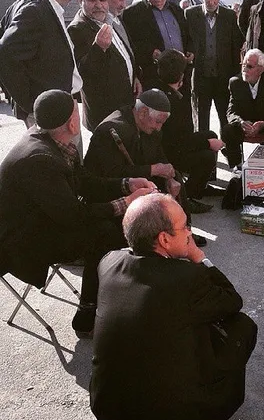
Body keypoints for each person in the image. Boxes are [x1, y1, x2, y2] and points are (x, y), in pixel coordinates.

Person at [90, 193, 257, 420]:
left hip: (109, 410)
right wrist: (199, 258)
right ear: (164, 239)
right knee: (242, 326)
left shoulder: (108, 261)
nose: (190, 232)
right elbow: (233, 301)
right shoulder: (187, 278)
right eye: (184, 226)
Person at [0, 90, 156, 336]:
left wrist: (127, 183)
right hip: (21, 243)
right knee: (104, 232)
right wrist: (126, 202)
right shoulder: (40, 159)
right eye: (76, 109)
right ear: (72, 122)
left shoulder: (49, 139)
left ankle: (112, 297)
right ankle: (88, 313)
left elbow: (83, 181)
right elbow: (75, 217)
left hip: (42, 219)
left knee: (112, 224)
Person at [84, 88, 211, 239]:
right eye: (157, 122)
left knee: (175, 176)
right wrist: (152, 170)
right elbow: (112, 174)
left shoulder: (149, 127)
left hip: (137, 176)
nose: (159, 128)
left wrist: (169, 177)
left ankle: (182, 230)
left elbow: (159, 156)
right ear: (143, 112)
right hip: (111, 188)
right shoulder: (111, 130)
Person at [0, 0, 82, 127]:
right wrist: (30, 103)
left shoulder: (36, 2)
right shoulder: (35, 9)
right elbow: (5, 54)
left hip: (57, 105)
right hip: (49, 113)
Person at [68, 0, 141, 131]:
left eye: (102, 0)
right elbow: (81, 74)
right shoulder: (77, 29)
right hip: (105, 116)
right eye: (92, 0)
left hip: (125, 107)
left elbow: (124, 55)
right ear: (80, 0)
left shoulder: (110, 20)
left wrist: (134, 76)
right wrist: (98, 48)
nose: (99, 5)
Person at [155, 49, 226, 201]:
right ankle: (189, 194)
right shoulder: (174, 103)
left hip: (171, 144)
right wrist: (207, 143)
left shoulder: (162, 89)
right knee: (207, 155)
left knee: (210, 134)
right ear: (180, 75)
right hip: (168, 152)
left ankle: (202, 184)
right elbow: (180, 141)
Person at [186, 0, 242, 132]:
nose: (211, 2)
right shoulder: (190, 14)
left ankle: (229, 150)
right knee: (201, 122)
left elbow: (235, 47)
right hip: (200, 79)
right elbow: (187, 41)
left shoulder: (229, 16)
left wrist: (235, 78)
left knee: (227, 120)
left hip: (223, 79)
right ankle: (206, 154)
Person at [122, 0, 193, 87]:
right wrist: (150, 53)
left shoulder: (177, 10)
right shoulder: (131, 14)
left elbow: (187, 37)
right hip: (153, 82)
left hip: (181, 82)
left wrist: (191, 52)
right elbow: (129, 47)